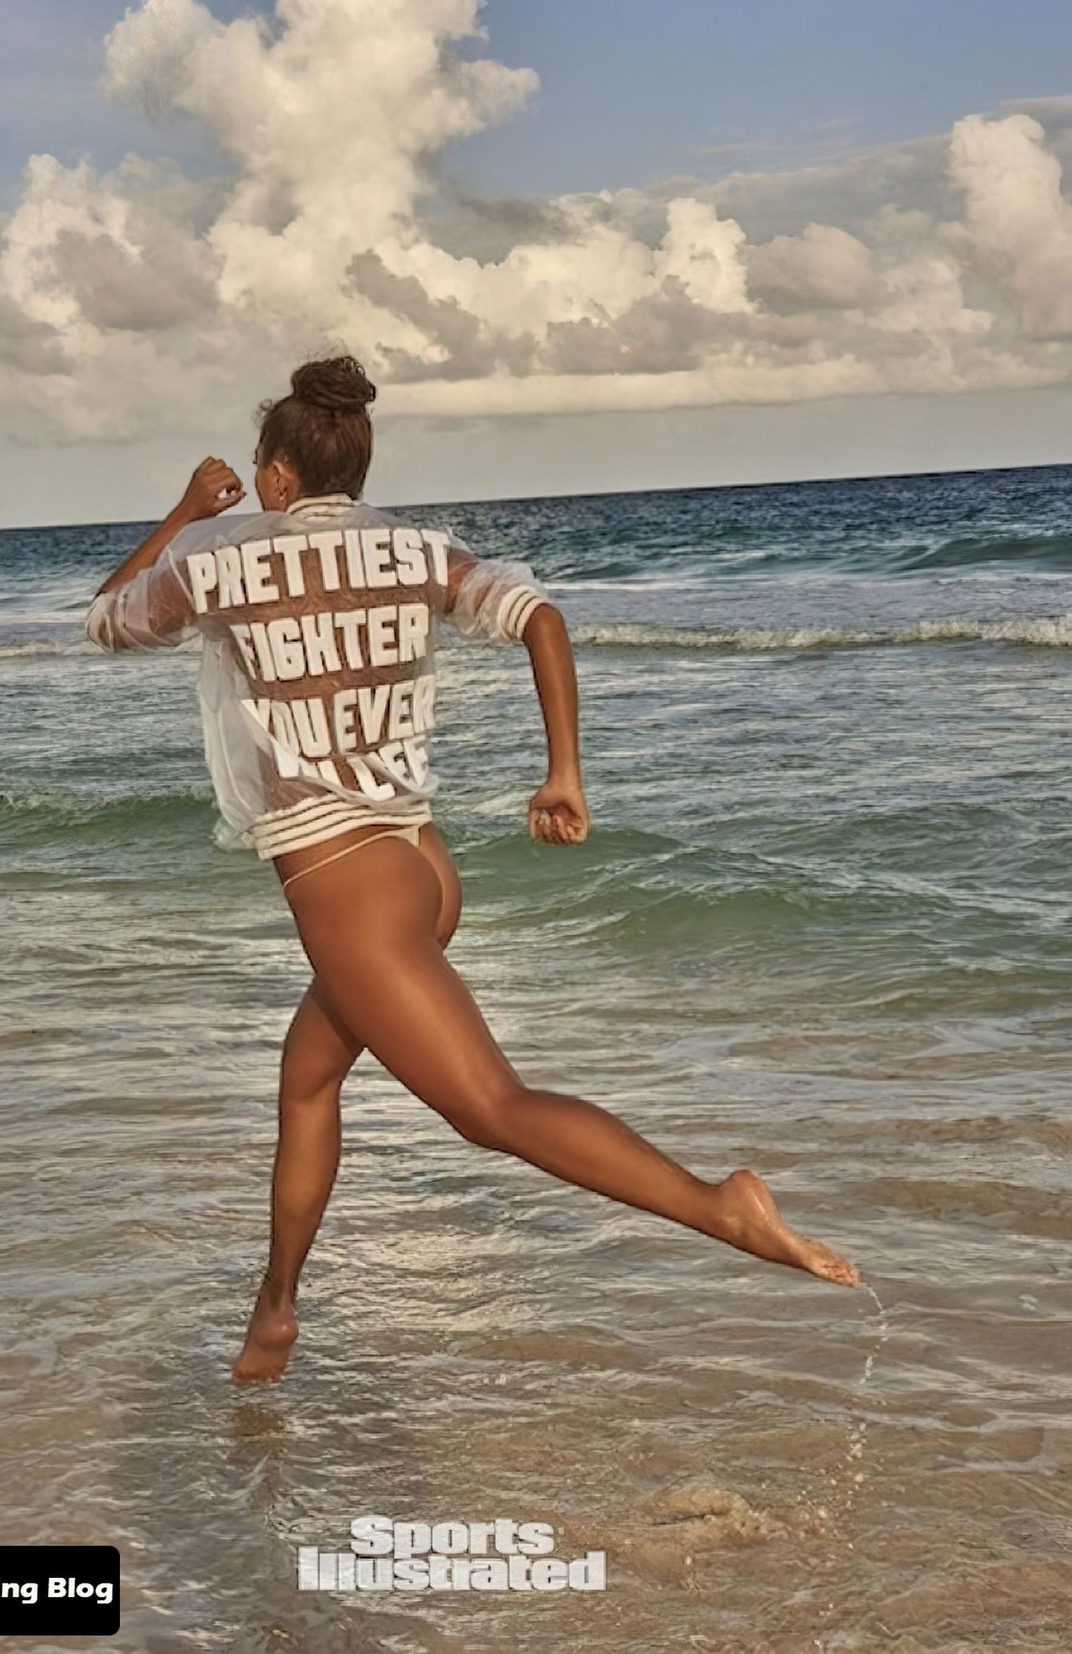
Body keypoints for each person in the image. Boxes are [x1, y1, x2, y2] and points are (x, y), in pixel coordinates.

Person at [86, 355, 861, 1384]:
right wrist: (563, 772)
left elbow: (106, 618)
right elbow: (541, 616)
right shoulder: (416, 551)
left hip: (348, 888)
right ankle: (274, 1310)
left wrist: (187, 511)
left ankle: (719, 1206)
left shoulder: (218, 562)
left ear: (275, 474)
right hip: (418, 867)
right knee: (307, 1085)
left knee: (490, 1109)